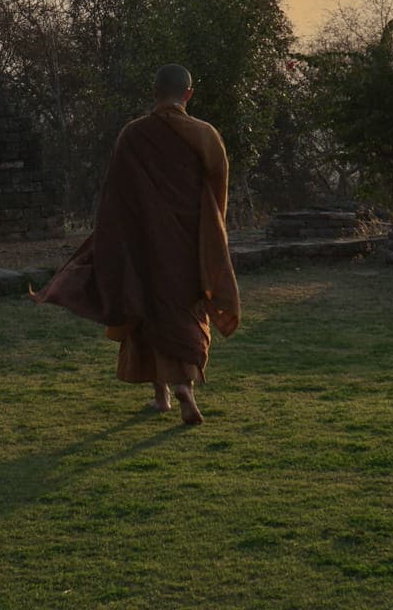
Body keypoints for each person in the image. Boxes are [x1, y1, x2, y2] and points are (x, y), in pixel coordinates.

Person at [34, 63, 240, 425]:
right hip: (188, 247)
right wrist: (210, 236)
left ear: (154, 92)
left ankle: (162, 394)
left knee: (145, 311)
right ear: (188, 94)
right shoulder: (206, 136)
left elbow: (116, 198)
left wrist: (115, 243)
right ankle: (184, 389)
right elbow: (217, 196)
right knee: (184, 314)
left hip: (143, 244)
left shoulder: (132, 135)